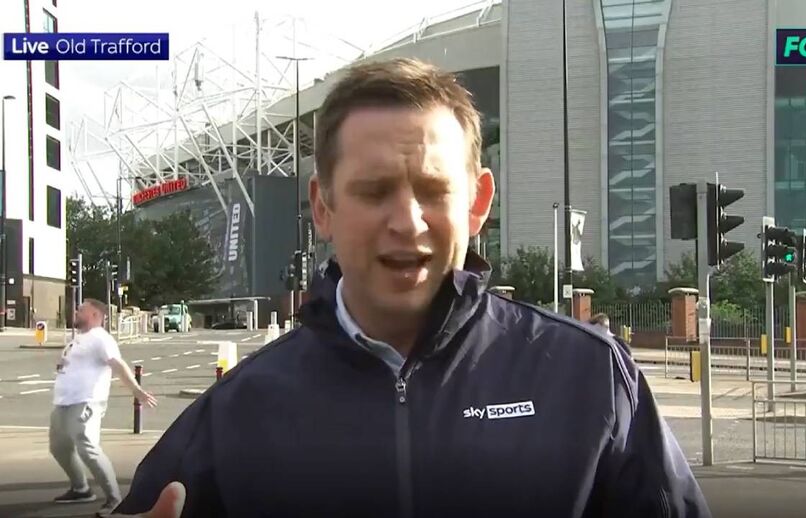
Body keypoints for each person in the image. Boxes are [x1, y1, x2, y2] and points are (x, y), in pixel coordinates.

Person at [114, 58, 710, 518]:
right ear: (323, 207)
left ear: (477, 202)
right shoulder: (237, 415)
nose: (408, 222)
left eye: (432, 190)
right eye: (375, 192)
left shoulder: (589, 379)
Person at [51, 298, 158, 516]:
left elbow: (117, 364)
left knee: (87, 448)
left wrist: (136, 391)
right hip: (63, 402)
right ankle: (81, 489)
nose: (76, 311)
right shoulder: (79, 339)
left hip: (85, 401)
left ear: (94, 316)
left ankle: (115, 499)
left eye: (81, 309)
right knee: (59, 448)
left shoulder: (101, 338)